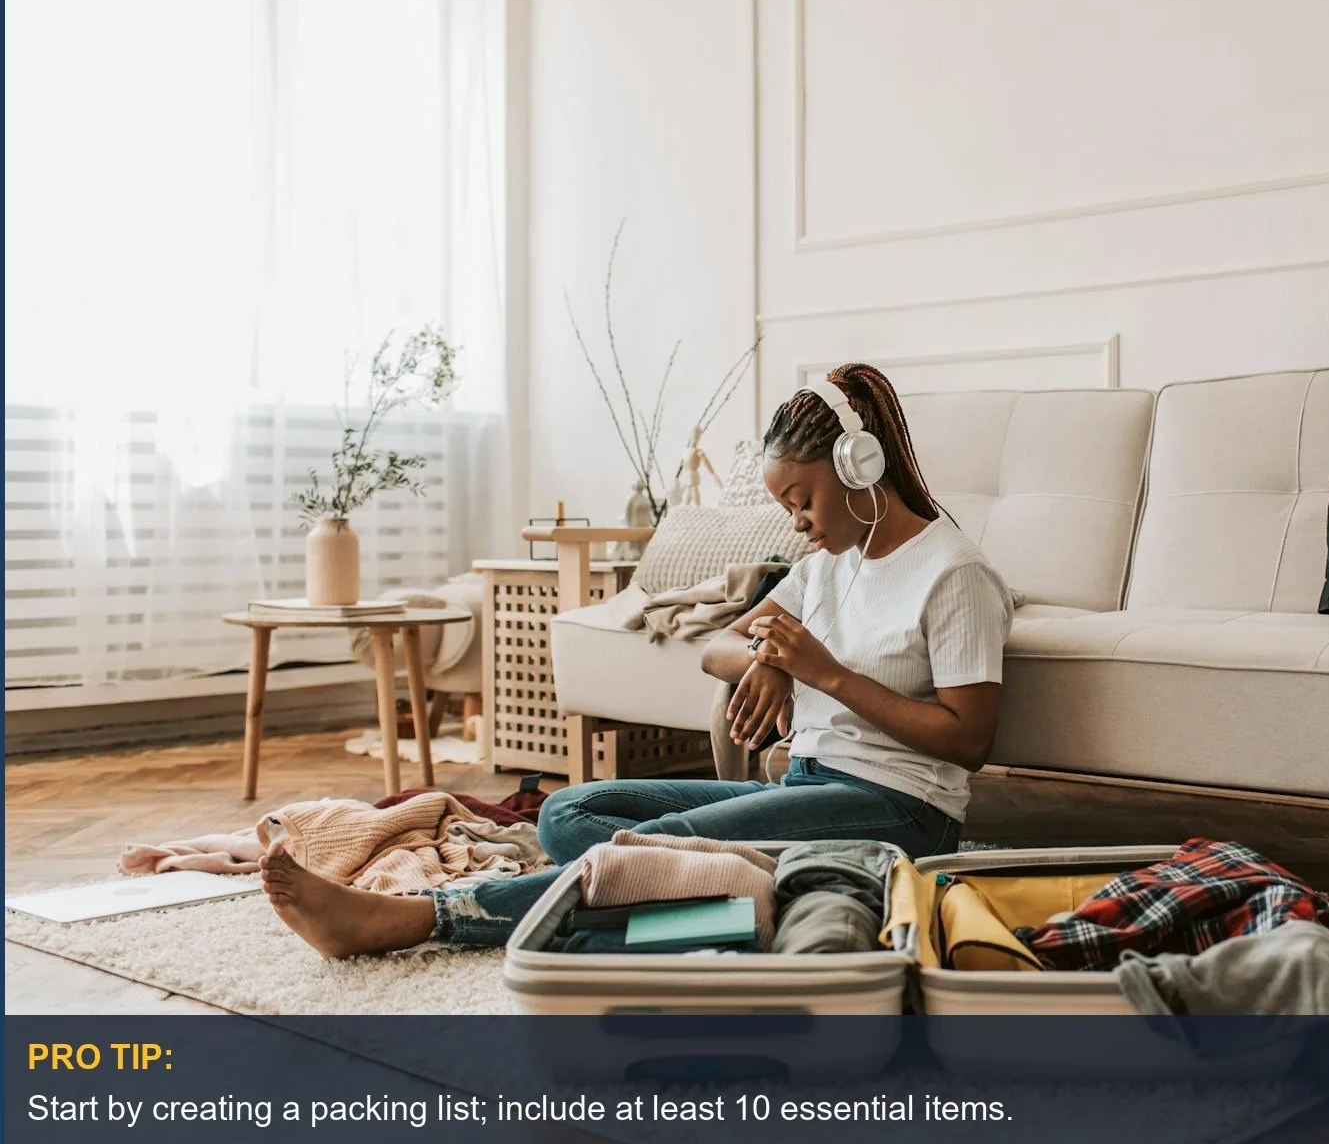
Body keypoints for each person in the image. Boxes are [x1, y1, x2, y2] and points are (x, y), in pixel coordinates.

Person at [260, 363, 1015, 957]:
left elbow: (968, 739)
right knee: (569, 811)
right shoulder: (828, 564)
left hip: (897, 809)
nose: (797, 521)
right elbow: (719, 647)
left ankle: (422, 919)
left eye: (803, 499)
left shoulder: (953, 574)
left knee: (664, 849)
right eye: (785, 504)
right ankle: (713, 914)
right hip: (812, 781)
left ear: (858, 468)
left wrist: (825, 672)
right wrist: (773, 662)